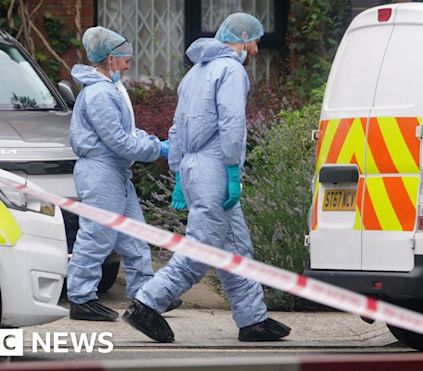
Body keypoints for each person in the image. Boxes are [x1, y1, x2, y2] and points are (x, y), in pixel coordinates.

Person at [122, 13, 291, 342]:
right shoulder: (231, 70)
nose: (256, 49)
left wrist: (179, 175)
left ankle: (252, 319)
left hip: (194, 167)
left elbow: (177, 127)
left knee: (235, 248)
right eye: (254, 41)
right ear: (241, 36)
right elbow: (232, 124)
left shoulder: (194, 75)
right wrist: (231, 169)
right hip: (216, 167)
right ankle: (147, 302)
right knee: (202, 250)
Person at [68, 26, 181, 321]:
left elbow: (126, 132)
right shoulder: (99, 94)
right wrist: (157, 150)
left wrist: (153, 141)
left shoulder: (111, 88)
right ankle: (81, 298)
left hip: (115, 172)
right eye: (125, 59)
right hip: (101, 172)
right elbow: (118, 141)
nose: (129, 64)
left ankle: (145, 295)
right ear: (109, 60)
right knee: (97, 236)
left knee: (135, 236)